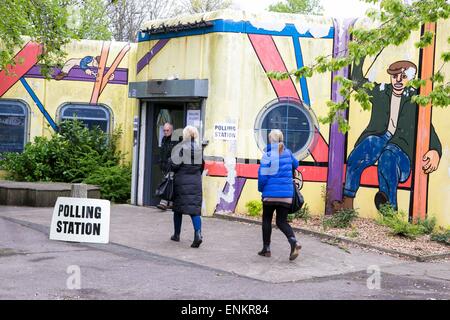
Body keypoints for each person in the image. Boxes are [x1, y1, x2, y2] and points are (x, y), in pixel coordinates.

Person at [333, 57, 441, 212]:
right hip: (380, 138)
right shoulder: (381, 92)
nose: (398, 80)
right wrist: (361, 54)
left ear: (411, 78)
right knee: (362, 150)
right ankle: (348, 203)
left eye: (403, 77)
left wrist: (435, 151)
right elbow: (356, 82)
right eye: (395, 76)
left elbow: (427, 127)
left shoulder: (416, 99)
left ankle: (390, 208)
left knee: (388, 156)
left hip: (400, 147)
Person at [257, 129, 302, 261]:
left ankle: (266, 249)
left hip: (270, 195)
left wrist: (262, 190)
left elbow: (263, 177)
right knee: (281, 221)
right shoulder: (288, 153)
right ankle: (293, 241)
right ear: (282, 139)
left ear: (270, 140)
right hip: (286, 195)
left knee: (266, 220)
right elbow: (296, 164)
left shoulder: (268, 155)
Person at [169, 125, 204, 248]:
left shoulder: (181, 148)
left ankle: (176, 234)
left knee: (177, 208)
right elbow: (201, 167)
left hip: (182, 182)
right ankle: (198, 234)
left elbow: (174, 165)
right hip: (195, 182)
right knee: (194, 210)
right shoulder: (199, 149)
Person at [157, 122, 177, 210]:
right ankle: (171, 202)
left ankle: (164, 202)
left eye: (167, 130)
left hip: (172, 165)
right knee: (170, 183)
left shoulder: (176, 139)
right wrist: (161, 163)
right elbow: (162, 152)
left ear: (172, 130)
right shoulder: (163, 139)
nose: (165, 132)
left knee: (168, 182)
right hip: (165, 165)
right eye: (164, 130)